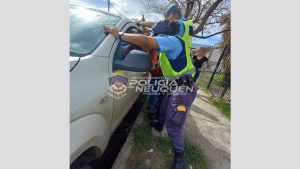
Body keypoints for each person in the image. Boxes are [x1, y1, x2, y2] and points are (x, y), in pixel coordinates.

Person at [104, 20, 198, 169]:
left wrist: (119, 34)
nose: (155, 38)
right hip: (175, 85)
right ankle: (160, 125)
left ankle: (180, 156)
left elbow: (145, 41)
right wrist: (143, 25)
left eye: (157, 36)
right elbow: (149, 32)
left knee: (174, 123)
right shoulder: (171, 41)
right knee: (163, 108)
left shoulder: (172, 41)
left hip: (184, 88)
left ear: (164, 35)